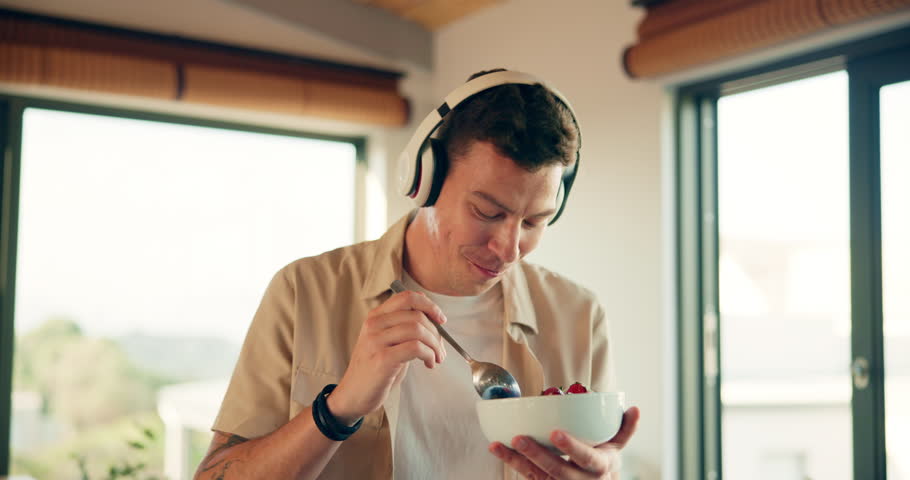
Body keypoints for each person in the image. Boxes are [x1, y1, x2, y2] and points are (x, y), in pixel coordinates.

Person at [193, 69, 640, 480]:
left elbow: (598, 461)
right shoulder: (303, 292)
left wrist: (603, 473)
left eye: (533, 222)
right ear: (424, 180)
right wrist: (340, 407)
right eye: (487, 211)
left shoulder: (579, 314)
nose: (508, 248)